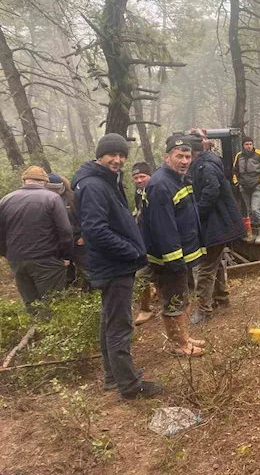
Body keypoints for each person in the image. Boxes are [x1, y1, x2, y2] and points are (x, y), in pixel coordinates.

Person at [72, 134, 161, 399]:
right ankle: (129, 386)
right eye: (112, 154)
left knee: (109, 321)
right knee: (119, 325)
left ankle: (114, 376)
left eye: (122, 155)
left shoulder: (105, 181)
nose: (118, 160)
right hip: (114, 265)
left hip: (113, 264)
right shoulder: (93, 186)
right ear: (100, 155)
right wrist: (131, 251)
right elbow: (96, 231)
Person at [141, 135, 206, 356]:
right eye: (179, 156)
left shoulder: (178, 179)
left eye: (188, 156)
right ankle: (178, 345)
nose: (184, 161)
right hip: (171, 259)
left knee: (184, 297)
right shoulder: (161, 185)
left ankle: (183, 337)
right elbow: (163, 228)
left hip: (183, 255)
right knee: (175, 301)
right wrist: (174, 260)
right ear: (166, 157)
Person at [188, 135, 246, 323]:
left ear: (193, 152)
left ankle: (204, 310)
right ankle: (221, 297)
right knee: (215, 262)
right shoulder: (206, 162)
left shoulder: (205, 167)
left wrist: (196, 213)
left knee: (205, 267)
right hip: (219, 224)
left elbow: (212, 191)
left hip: (216, 225)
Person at [0, 166, 72, 312]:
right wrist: (66, 256)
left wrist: (7, 254)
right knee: (52, 304)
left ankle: (36, 331)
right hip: (46, 260)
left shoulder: (6, 200)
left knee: (31, 303)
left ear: (24, 181)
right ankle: (49, 333)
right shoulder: (53, 198)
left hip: (17, 260)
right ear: (45, 182)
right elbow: (65, 231)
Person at [46, 173, 89, 286]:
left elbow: (86, 217)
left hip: (77, 238)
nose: (54, 192)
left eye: (57, 189)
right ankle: (69, 292)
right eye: (50, 189)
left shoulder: (73, 198)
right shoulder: (45, 201)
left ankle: (91, 292)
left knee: (86, 268)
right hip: (58, 242)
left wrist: (84, 235)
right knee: (65, 270)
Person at [130, 162, 157, 326]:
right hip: (144, 242)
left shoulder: (157, 191)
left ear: (150, 176)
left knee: (143, 276)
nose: (139, 180)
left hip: (159, 242)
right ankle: (146, 308)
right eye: (135, 177)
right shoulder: (139, 193)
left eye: (142, 176)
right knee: (141, 276)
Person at [232, 136, 260, 244]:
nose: (248, 146)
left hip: (256, 186)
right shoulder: (239, 156)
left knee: (255, 210)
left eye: (250, 144)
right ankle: (253, 234)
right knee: (250, 212)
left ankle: (259, 234)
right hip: (244, 187)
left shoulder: (259, 154)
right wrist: (237, 183)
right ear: (243, 146)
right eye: (246, 144)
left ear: (252, 145)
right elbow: (234, 170)